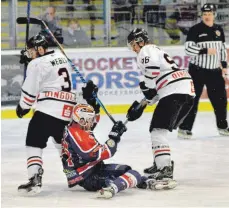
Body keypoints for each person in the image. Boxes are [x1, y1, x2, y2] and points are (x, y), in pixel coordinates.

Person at [61, 101, 177, 199]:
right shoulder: (77, 134)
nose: (93, 121)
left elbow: (90, 138)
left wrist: (93, 104)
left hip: (89, 171)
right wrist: (114, 137)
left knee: (126, 170)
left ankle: (146, 182)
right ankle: (111, 188)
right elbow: (96, 154)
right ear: (82, 120)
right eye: (90, 119)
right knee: (133, 174)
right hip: (87, 177)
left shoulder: (76, 127)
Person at [126, 28, 195, 179]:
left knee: (157, 130)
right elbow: (157, 90)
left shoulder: (146, 50)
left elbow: (152, 73)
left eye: (133, 44)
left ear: (141, 41)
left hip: (174, 92)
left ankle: (165, 167)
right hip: (186, 93)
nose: (133, 48)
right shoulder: (157, 51)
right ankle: (160, 162)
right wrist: (143, 104)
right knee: (158, 129)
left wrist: (147, 88)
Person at [16, 33, 76, 195]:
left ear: (40, 49)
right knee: (61, 145)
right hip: (66, 111)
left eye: (32, 51)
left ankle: (35, 177)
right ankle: (73, 175)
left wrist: (23, 107)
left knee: (33, 142)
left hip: (48, 109)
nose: (30, 54)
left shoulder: (37, 64)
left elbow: (30, 92)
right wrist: (33, 60)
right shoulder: (61, 57)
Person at [178, 3, 229, 139]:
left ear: (214, 15)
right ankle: (184, 128)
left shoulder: (219, 30)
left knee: (221, 100)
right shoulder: (195, 29)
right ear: (202, 15)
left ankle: (223, 127)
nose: (207, 16)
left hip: (214, 72)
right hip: (197, 71)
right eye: (205, 14)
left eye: (210, 14)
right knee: (192, 101)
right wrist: (205, 50)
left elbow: (222, 50)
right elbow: (188, 49)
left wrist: (224, 66)